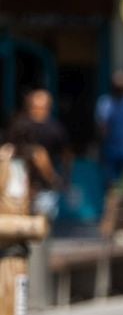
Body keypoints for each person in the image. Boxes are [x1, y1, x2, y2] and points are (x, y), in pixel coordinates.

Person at [5, 89, 70, 219]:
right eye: (36, 106)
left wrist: (64, 176)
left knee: (42, 224)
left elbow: (66, 155)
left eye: (42, 107)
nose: (38, 110)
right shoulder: (19, 125)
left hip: (45, 186)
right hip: (21, 185)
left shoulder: (55, 129)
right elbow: (9, 149)